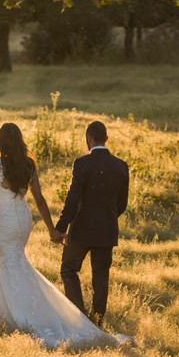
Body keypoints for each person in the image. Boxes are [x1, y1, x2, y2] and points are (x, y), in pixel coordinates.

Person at [0, 122, 128, 349]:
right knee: (16, 262)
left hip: (5, 221)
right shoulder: (28, 165)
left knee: (15, 263)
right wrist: (51, 229)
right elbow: (39, 200)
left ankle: (22, 314)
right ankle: (90, 319)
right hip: (24, 220)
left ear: (0, 141)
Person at [55, 121, 129, 326]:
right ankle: (96, 321)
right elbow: (122, 204)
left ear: (88, 139)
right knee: (101, 278)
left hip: (81, 229)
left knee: (68, 269)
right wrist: (107, 218)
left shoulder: (82, 163)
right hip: (107, 230)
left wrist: (61, 227)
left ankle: (80, 317)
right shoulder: (121, 166)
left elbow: (72, 199)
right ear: (106, 139)